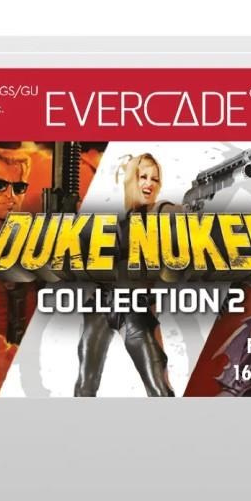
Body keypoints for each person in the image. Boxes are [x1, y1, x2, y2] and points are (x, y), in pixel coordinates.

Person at [75, 153, 176, 397]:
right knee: (85, 384)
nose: (149, 183)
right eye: (143, 176)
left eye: (155, 179)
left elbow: (180, 217)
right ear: (131, 179)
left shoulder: (162, 210)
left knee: (160, 389)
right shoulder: (120, 223)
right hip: (101, 303)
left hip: (136, 308)